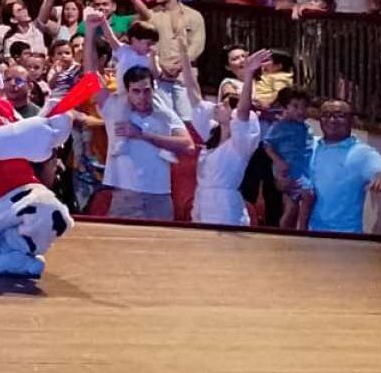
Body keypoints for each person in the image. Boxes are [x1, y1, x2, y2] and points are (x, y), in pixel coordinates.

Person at [92, 13, 194, 222]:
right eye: (147, 42)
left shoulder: (159, 102)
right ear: (134, 40)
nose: (149, 46)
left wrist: (144, 135)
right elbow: (107, 45)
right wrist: (101, 23)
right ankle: (120, 145)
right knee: (121, 116)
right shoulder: (124, 52)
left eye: (152, 43)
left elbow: (188, 145)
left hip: (159, 194)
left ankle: (163, 151)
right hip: (121, 97)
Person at [185, 50, 274, 227]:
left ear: (233, 114)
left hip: (225, 208)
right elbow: (194, 94)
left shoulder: (240, 144)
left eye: (224, 105)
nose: (218, 105)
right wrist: (183, 55)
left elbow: (243, 112)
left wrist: (249, 74)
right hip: (202, 203)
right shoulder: (212, 133)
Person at [308, 100, 381, 234]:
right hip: (305, 233)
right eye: (326, 115)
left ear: (352, 120)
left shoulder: (363, 153)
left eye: (339, 115)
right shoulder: (309, 145)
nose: (332, 120)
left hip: (343, 236)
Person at [261, 87, 316, 231]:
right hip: (288, 168)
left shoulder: (306, 127)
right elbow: (267, 144)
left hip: (302, 169)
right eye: (295, 106)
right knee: (308, 194)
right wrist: (278, 161)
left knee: (291, 208)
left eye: (304, 106)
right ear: (286, 107)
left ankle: (285, 232)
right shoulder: (280, 126)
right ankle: (303, 228)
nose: (301, 111)